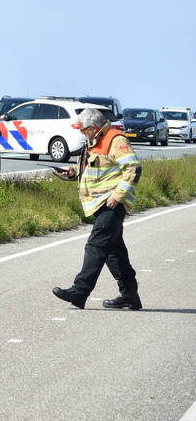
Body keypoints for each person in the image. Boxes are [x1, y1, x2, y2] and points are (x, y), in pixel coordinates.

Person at [52, 108, 142, 310]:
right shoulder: (92, 141)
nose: (82, 133)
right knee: (114, 253)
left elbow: (134, 168)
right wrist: (72, 171)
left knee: (95, 245)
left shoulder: (115, 140)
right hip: (99, 203)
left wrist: (117, 196)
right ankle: (130, 296)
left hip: (112, 204)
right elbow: (90, 168)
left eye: (83, 130)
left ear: (93, 127)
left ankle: (79, 291)